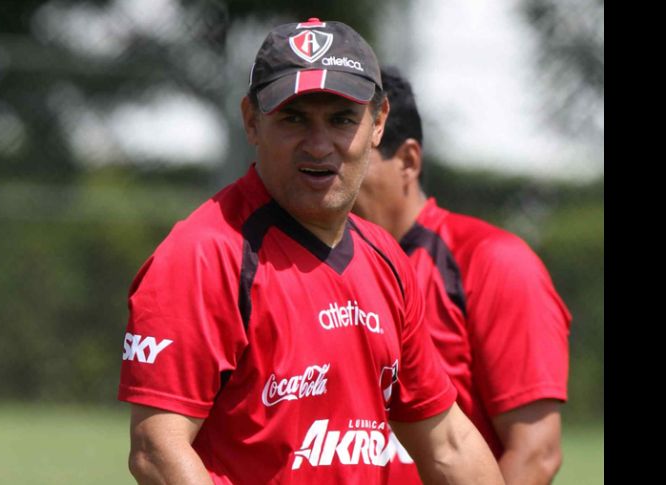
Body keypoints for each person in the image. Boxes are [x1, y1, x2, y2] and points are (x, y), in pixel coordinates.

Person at [118, 19, 504, 485]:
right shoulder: (204, 254)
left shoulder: (385, 259)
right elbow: (157, 450)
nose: (319, 145)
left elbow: (448, 443)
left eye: (341, 119)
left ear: (378, 123)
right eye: (294, 118)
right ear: (251, 121)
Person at [352, 66, 572, 485]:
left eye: (354, 154)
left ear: (408, 161)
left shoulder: (493, 262)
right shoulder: (311, 266)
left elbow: (535, 453)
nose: (333, 169)